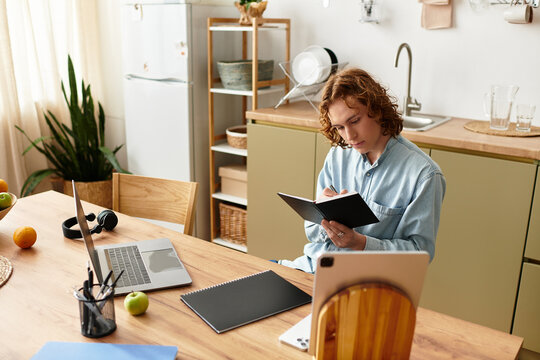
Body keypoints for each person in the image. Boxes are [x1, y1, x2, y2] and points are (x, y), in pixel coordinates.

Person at [279, 68, 446, 273]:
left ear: (377, 109)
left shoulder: (424, 174)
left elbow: (419, 255)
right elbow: (312, 232)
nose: (349, 136)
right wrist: (323, 219)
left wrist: (360, 243)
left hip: (364, 283)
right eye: (339, 127)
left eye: (354, 121)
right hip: (312, 267)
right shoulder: (338, 156)